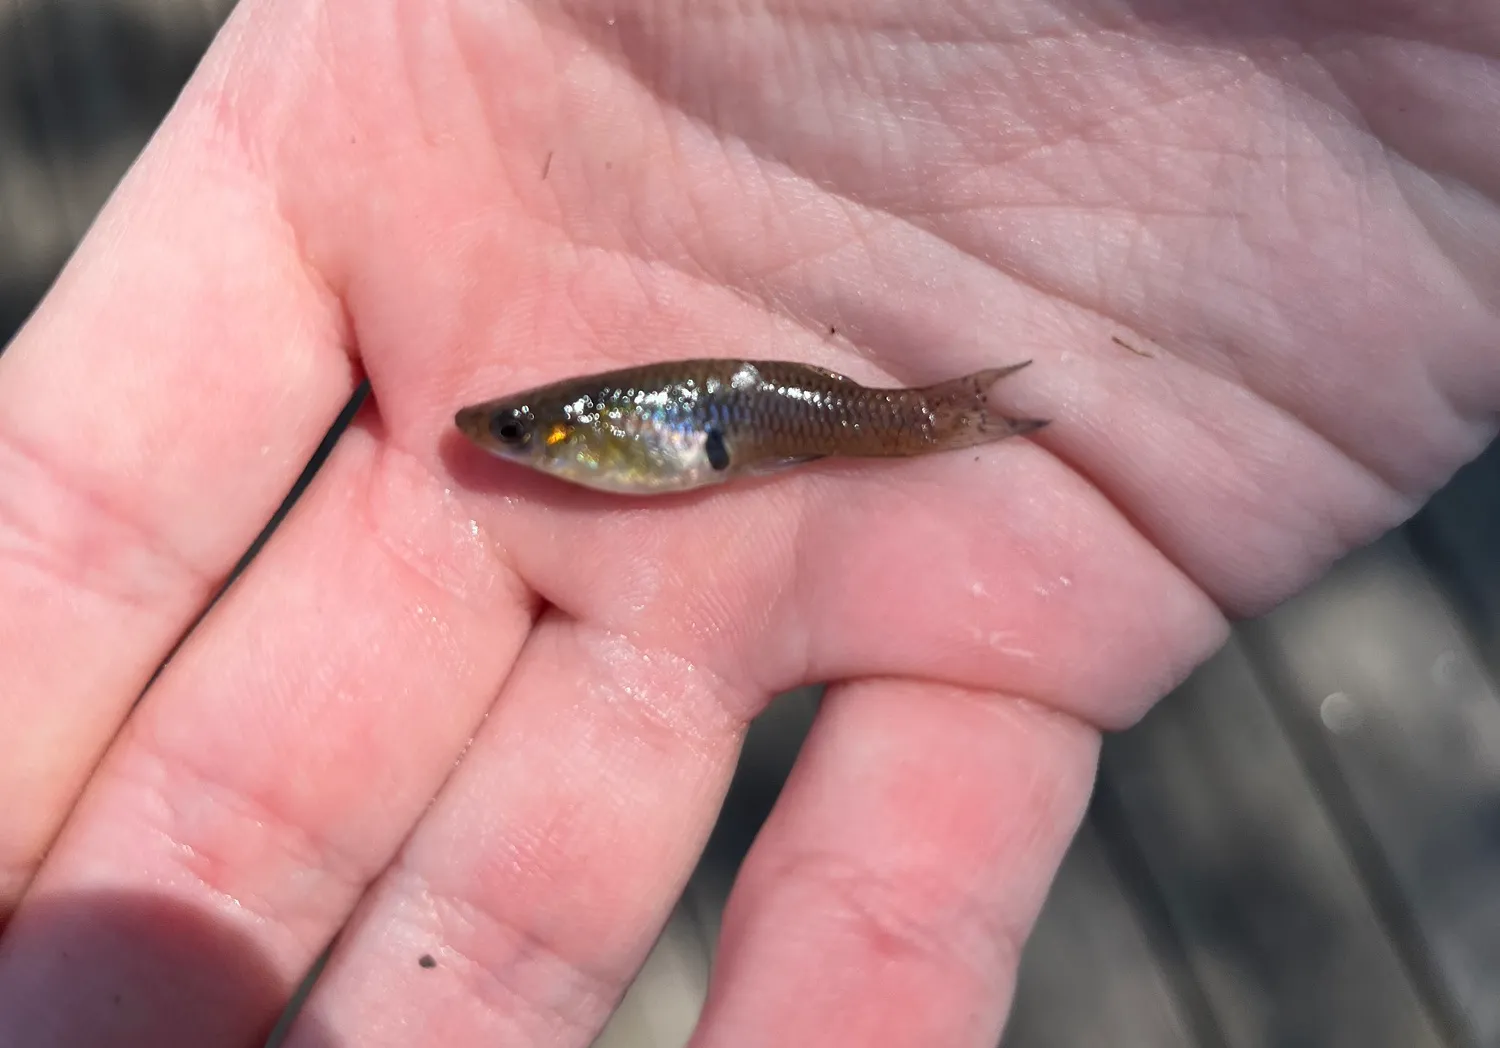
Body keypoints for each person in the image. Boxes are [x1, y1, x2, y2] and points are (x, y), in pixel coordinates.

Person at [0, 1, 1495, 1044]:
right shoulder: (585, 438)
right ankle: (962, 411)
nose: (524, 441)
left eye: (531, 430)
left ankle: (960, 413)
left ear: (571, 433)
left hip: (766, 414)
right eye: (531, 430)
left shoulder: (609, 433)